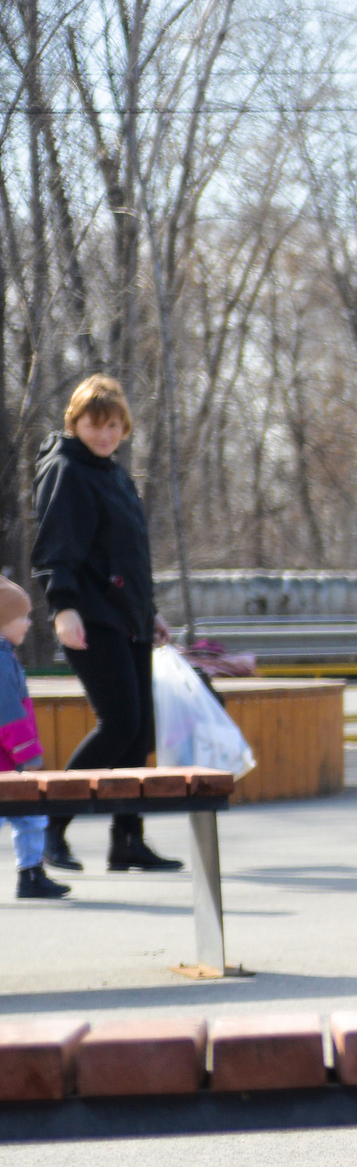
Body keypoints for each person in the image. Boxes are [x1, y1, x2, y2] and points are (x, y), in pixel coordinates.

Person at [30, 374, 180, 875]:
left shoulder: (114, 474)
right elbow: (57, 546)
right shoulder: (66, 469)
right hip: (89, 617)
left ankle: (127, 841)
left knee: (140, 730)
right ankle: (50, 825)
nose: (105, 434)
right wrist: (64, 606)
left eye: (114, 425)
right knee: (119, 722)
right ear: (76, 422)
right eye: (95, 424)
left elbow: (130, 553)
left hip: (128, 616)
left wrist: (149, 612)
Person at [1, 576, 66, 900]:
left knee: (29, 817)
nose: (28, 622)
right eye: (21, 616)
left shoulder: (5, 655)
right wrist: (28, 755)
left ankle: (32, 873)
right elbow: (8, 714)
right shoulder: (0, 661)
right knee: (29, 816)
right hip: (8, 764)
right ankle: (31, 874)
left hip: (8, 763)